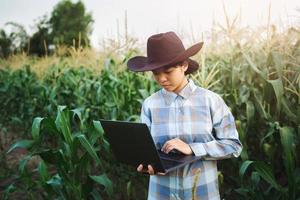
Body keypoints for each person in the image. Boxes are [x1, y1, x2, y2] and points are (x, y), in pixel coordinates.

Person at [127, 31, 242, 200]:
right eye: (156, 73)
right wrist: (146, 163)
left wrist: (192, 148)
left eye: (168, 71)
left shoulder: (211, 101)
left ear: (184, 66)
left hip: (202, 193)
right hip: (161, 193)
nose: (162, 79)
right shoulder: (150, 105)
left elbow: (233, 145)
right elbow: (148, 149)